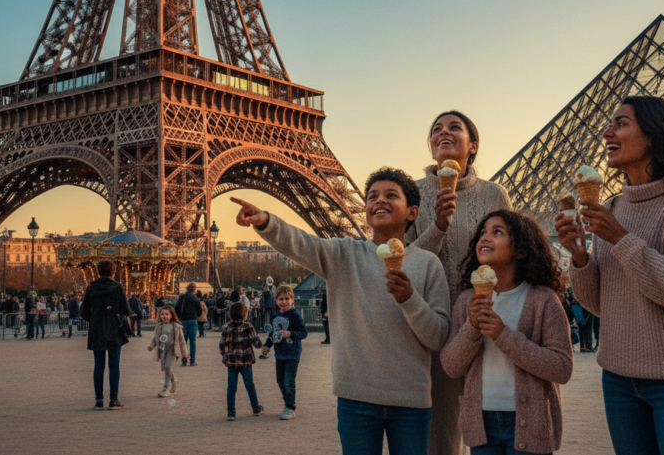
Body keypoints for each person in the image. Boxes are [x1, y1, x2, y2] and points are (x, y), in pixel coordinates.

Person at [233, 166, 450, 454]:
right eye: (372, 196)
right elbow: (302, 244)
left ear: (412, 212)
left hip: (411, 401)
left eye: (390, 195)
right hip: (355, 398)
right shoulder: (343, 254)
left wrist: (410, 299)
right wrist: (267, 222)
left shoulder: (428, 264)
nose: (379, 200)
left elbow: (437, 337)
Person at [556, 96, 664, 454]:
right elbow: (601, 304)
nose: (607, 132)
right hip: (618, 380)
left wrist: (620, 238)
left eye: (621, 123)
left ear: (656, 134)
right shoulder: (615, 206)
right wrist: (580, 256)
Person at [406, 110, 512, 455]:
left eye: (454, 127)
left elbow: (509, 256)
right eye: (436, 129)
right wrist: (437, 224)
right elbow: (403, 260)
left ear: (473, 145)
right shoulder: (411, 194)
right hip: (432, 326)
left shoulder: (495, 194)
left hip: (483, 321)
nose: (443, 133)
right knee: (443, 433)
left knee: (490, 428)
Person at [441, 210, 573, 454]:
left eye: (497, 232)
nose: (485, 238)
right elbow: (451, 366)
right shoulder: (466, 301)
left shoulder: (543, 300)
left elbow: (562, 368)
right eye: (482, 233)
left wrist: (504, 335)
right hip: (481, 423)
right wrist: (471, 329)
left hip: (531, 421)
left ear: (522, 251)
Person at [81, 260, 132, 410]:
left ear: (98, 272)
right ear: (113, 271)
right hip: (114, 327)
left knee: (99, 365)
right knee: (114, 365)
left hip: (97, 328)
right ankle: (114, 399)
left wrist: (95, 317)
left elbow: (84, 312)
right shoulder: (117, 287)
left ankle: (99, 399)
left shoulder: (91, 288)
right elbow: (126, 310)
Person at [261, 284, 308, 420]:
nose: (284, 302)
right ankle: (287, 400)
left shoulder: (295, 315)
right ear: (276, 301)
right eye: (281, 299)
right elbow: (272, 333)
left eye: (287, 299)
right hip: (279, 353)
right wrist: (267, 345)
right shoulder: (275, 315)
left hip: (293, 353)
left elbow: (303, 332)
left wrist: (291, 333)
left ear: (292, 299)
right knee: (280, 381)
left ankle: (290, 407)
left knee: (289, 381)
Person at [219, 301, 264, 421]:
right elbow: (256, 341)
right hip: (246, 361)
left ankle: (231, 412)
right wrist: (263, 347)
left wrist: (225, 356)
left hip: (232, 362)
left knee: (231, 387)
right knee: (250, 385)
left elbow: (222, 345)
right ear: (245, 315)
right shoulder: (248, 326)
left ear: (230, 314)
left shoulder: (226, 327)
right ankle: (255, 407)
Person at [147, 306, 187, 397]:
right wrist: (151, 346)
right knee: (166, 368)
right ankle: (174, 381)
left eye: (166, 314)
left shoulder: (176, 326)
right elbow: (155, 338)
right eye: (162, 314)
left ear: (171, 315)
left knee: (168, 367)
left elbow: (182, 341)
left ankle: (165, 389)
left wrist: (185, 353)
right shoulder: (158, 326)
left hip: (173, 350)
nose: (164, 316)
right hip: (163, 350)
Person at [175, 283, 203, 366]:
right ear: (195, 289)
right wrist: (195, 315)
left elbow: (177, 308)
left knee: (184, 341)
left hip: (183, 320)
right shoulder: (196, 299)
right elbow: (200, 311)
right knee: (193, 341)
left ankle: (184, 360)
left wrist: (180, 316)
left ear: (187, 288)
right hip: (193, 320)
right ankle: (192, 360)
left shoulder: (182, 297)